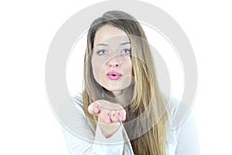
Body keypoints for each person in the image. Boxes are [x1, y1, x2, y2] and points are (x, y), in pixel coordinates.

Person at [60, 11, 200, 155]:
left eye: (125, 50)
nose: (113, 61)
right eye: (102, 51)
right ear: (90, 60)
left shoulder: (177, 112)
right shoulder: (73, 109)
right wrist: (109, 132)